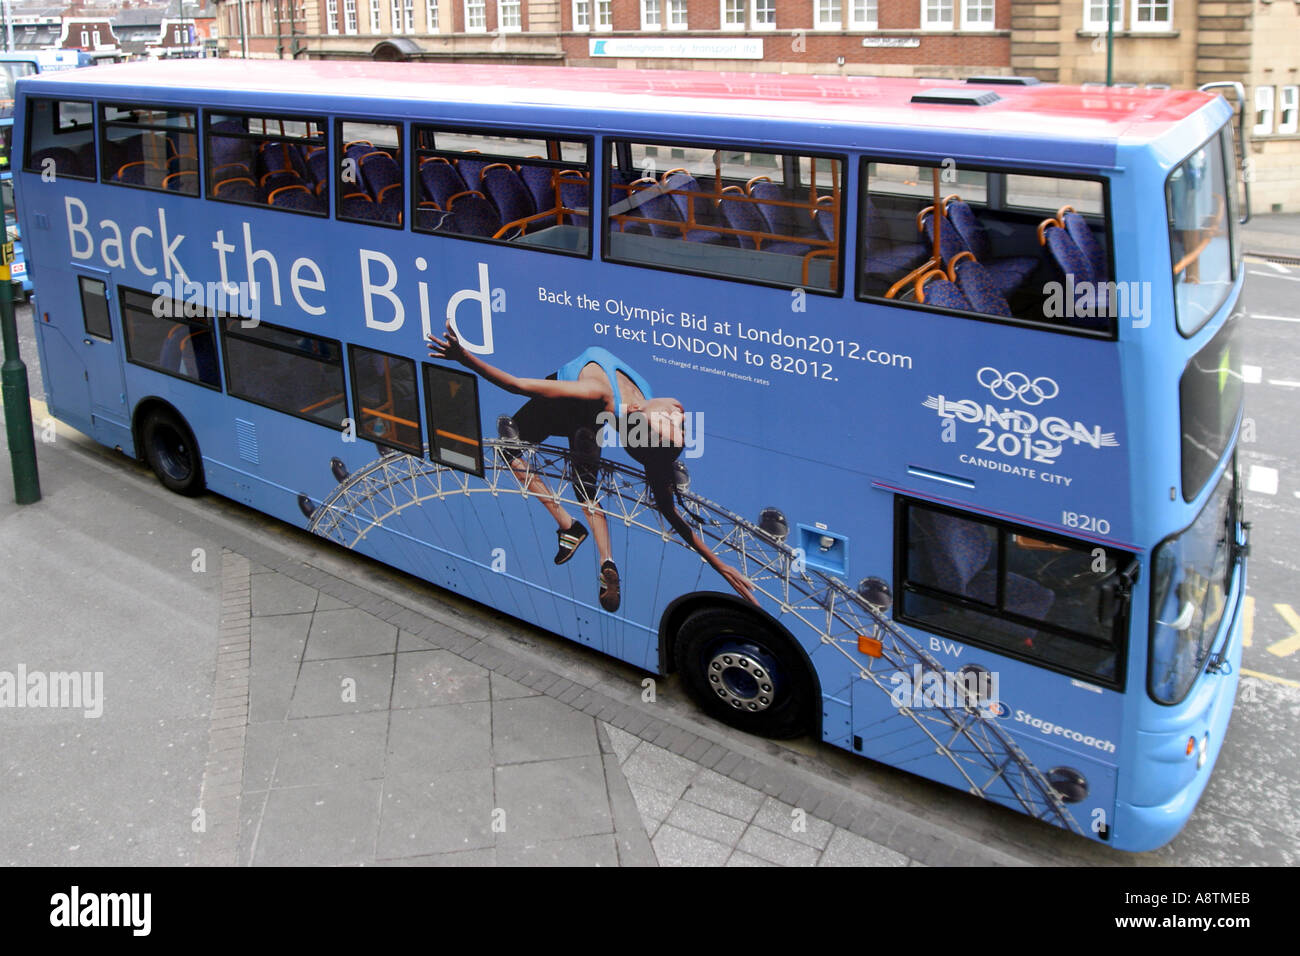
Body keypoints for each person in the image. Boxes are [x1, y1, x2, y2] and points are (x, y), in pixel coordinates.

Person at [427, 323, 757, 610]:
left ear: (637, 415)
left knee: (509, 451)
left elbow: (517, 384)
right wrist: (720, 564)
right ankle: (605, 559)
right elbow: (673, 515)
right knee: (586, 488)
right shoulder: (645, 412)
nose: (679, 412)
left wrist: (463, 356)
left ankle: (568, 526)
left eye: (670, 421)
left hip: (565, 408)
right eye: (681, 422)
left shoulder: (598, 391)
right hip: (590, 420)